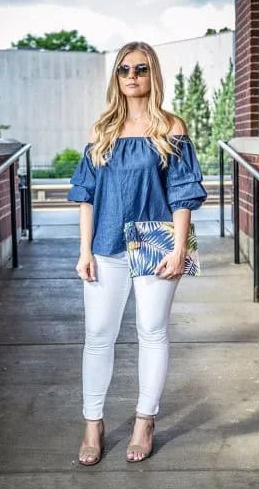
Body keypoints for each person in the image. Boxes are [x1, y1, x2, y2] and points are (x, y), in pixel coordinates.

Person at [67, 40, 207, 466]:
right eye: (124, 69)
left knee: (152, 331)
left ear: (153, 74)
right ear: (117, 77)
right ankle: (94, 423)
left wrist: (180, 247)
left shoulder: (171, 128)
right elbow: (86, 195)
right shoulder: (101, 130)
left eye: (141, 69)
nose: (132, 76)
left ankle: (145, 419)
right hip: (106, 242)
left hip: (156, 241)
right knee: (98, 336)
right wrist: (84, 250)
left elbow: (182, 193)